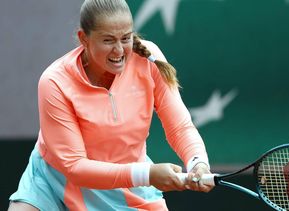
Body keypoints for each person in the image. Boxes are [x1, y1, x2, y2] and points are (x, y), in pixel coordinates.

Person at [8, 0, 212, 210]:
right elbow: (74, 167)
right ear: (83, 39)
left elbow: (179, 127)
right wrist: (147, 174)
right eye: (108, 40)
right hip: (54, 181)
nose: (119, 50)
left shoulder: (149, 60)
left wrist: (198, 163)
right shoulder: (54, 81)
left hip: (129, 188)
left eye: (125, 39)